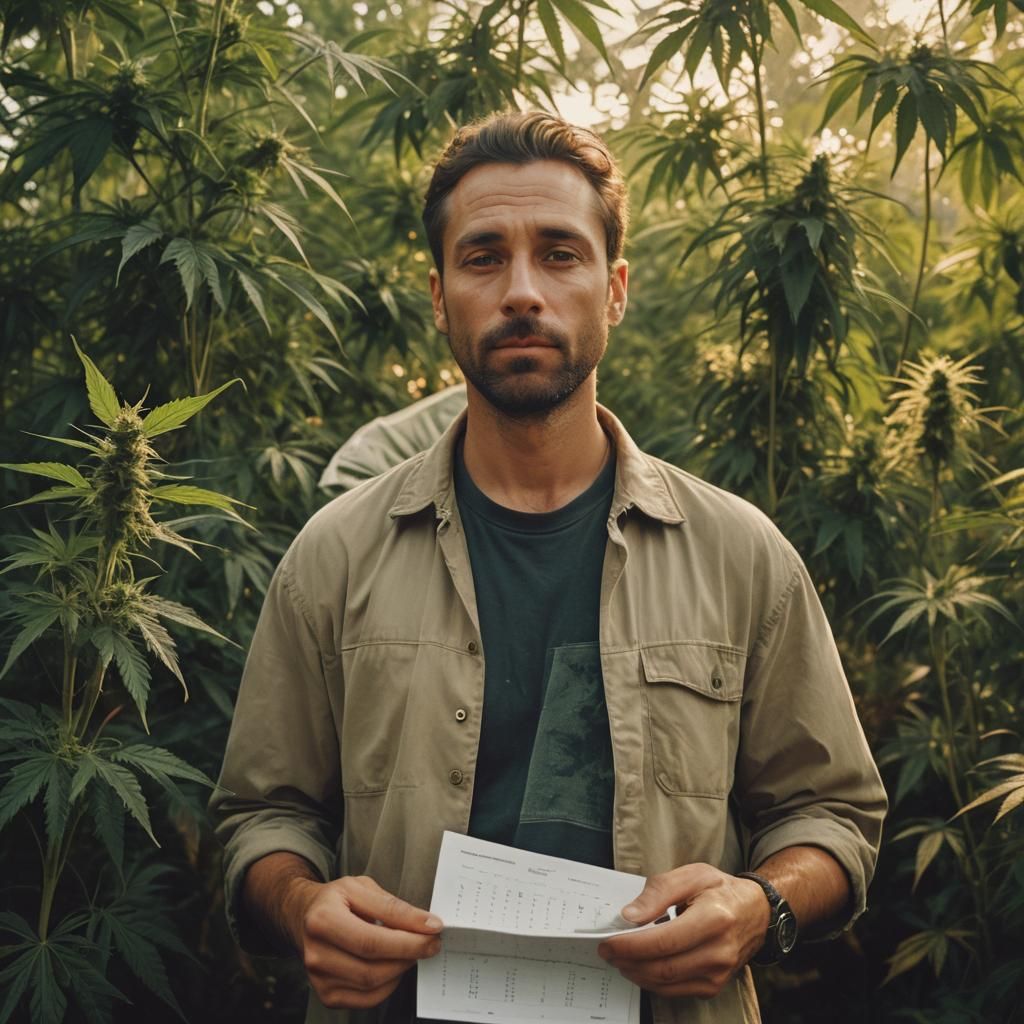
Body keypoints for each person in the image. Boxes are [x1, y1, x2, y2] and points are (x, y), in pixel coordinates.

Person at [211, 110, 887, 1024]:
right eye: (483, 256)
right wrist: (300, 908)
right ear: (440, 295)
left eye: (560, 254)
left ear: (613, 291)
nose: (522, 290)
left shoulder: (741, 556)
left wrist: (759, 908)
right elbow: (260, 815)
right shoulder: (333, 557)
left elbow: (833, 815)